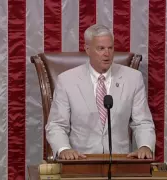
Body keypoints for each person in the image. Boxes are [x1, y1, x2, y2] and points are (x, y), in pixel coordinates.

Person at [45, 24, 155, 160]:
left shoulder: (133, 78)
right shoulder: (67, 80)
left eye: (110, 48)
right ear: (87, 50)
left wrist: (145, 146)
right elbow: (57, 125)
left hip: (119, 161)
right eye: (101, 48)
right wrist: (64, 149)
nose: (107, 54)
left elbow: (142, 122)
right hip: (80, 162)